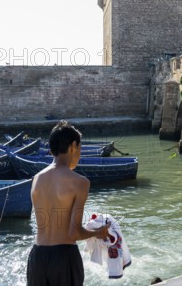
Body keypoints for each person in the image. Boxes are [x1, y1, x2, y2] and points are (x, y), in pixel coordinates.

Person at [27, 121, 110, 286]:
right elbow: (74, 233)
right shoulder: (80, 182)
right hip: (63, 258)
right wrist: (98, 232)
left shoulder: (37, 179)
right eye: (80, 149)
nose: (79, 155)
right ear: (73, 146)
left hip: (37, 257)